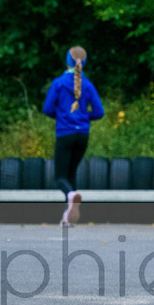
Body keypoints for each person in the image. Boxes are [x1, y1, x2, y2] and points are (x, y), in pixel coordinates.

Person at [42, 46, 104, 226]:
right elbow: (99, 112)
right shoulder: (88, 85)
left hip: (65, 133)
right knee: (71, 174)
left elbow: (47, 108)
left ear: (67, 61)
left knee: (60, 177)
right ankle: (67, 216)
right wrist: (84, 117)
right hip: (82, 135)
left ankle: (70, 196)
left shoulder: (58, 83)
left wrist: (62, 116)